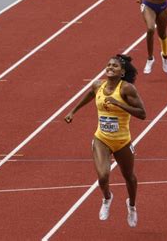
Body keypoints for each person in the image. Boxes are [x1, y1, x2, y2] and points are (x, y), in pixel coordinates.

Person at [64, 54, 146, 227]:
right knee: (103, 176)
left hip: (122, 141)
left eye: (114, 66)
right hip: (102, 138)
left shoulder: (127, 89)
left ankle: (131, 206)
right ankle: (107, 198)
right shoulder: (97, 85)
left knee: (129, 177)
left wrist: (120, 104)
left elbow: (142, 114)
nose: (110, 67)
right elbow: (88, 95)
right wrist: (73, 111)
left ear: (122, 72)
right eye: (108, 65)